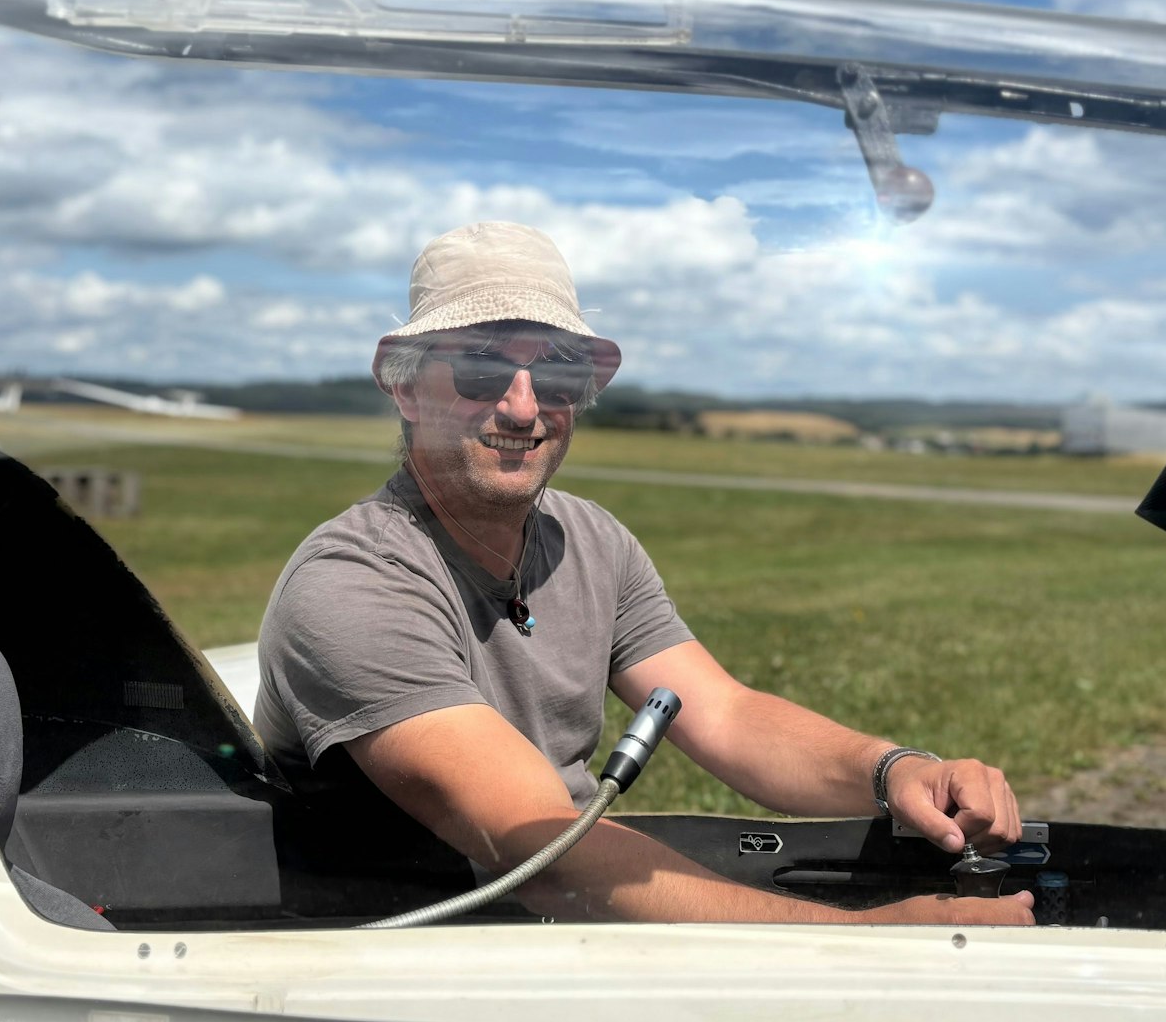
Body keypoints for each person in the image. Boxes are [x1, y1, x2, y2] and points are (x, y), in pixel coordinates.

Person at [256, 221, 1033, 925]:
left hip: (553, 928)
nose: (524, 408)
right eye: (481, 370)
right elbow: (542, 853)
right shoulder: (352, 582)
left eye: (555, 376)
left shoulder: (591, 539)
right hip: (408, 955)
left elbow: (726, 715)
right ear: (405, 385)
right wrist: (864, 939)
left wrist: (894, 768)